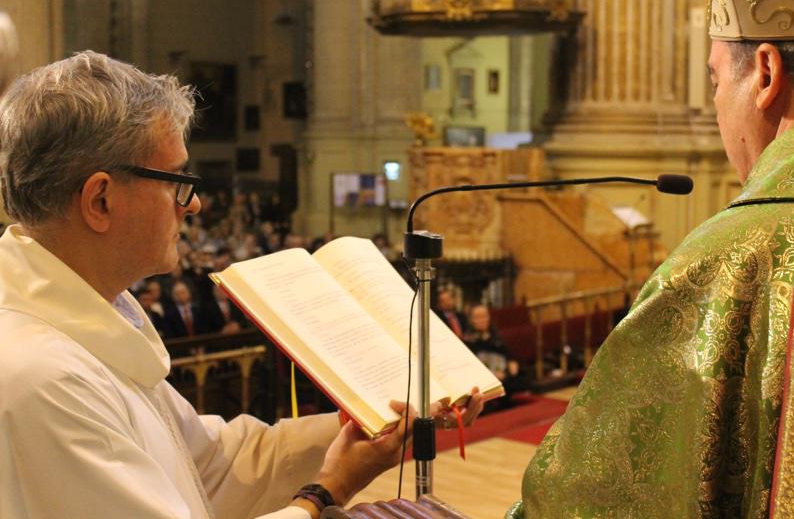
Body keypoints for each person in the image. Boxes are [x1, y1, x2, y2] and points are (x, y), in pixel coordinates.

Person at [0, 51, 483, 519]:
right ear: (100, 200)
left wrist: (366, 422)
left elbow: (211, 467)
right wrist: (324, 493)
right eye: (176, 181)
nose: (193, 206)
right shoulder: (45, 378)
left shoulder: (91, 314)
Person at [508, 0, 794, 516]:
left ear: (764, 75)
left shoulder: (730, 259)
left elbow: (580, 498)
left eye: (715, 79)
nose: (716, 103)